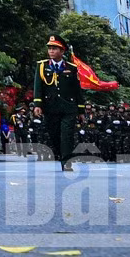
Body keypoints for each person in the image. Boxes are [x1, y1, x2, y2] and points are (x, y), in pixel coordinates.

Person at [36, 34, 82, 171]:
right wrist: (37, 105)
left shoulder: (72, 67)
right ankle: (61, 155)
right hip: (50, 107)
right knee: (54, 134)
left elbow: (77, 90)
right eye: (49, 48)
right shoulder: (42, 66)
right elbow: (38, 87)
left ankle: (66, 161)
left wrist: (81, 110)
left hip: (69, 107)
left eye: (54, 49)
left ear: (62, 51)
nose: (51, 51)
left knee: (67, 134)